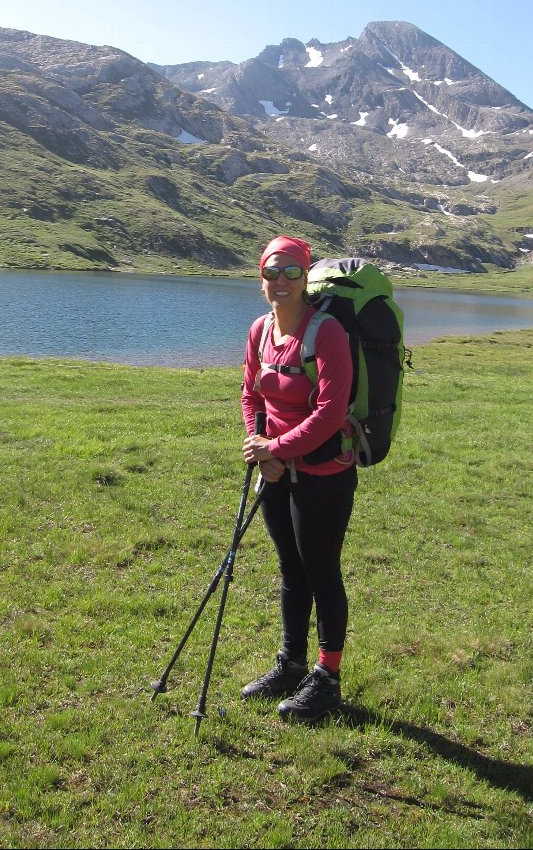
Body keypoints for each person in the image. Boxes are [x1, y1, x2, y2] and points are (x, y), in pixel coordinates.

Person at [240, 234, 357, 723]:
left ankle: (326, 680)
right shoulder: (260, 330)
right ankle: (290, 665)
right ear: (261, 277)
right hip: (276, 468)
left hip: (324, 472)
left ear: (306, 276)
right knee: (291, 568)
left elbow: (331, 412)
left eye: (292, 271)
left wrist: (277, 449)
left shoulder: (326, 332)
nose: (282, 280)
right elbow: (251, 394)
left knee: (320, 569)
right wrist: (258, 445)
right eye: (273, 271)